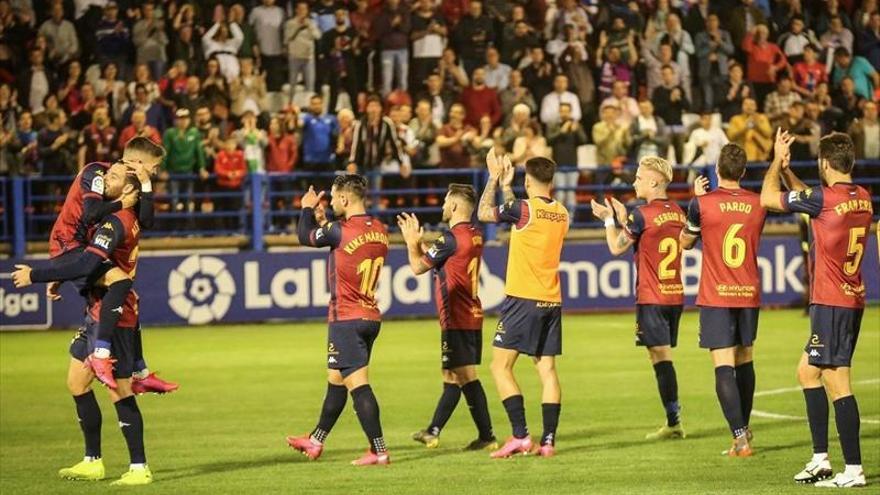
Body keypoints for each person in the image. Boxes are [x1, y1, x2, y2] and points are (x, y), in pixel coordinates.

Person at [12, 165, 154, 486]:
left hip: (111, 314)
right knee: (77, 383)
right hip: (96, 308)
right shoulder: (116, 215)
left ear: (127, 192)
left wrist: (36, 275)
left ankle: (138, 467)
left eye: (115, 178)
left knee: (119, 391)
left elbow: (86, 264)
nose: (106, 179)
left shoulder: (115, 220)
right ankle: (93, 461)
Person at [760, 131, 872, 488]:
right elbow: (815, 199)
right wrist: (793, 175)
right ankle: (821, 459)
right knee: (807, 373)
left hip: (832, 301)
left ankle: (853, 469)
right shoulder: (863, 197)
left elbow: (766, 198)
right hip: (849, 297)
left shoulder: (823, 198)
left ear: (824, 163)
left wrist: (777, 160)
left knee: (838, 382)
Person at [288, 175, 391, 466]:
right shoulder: (380, 229)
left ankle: (379, 450)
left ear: (345, 199)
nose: (330, 203)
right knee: (337, 381)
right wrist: (324, 223)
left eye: (333, 198)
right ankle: (316, 440)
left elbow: (304, 237)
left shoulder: (338, 230)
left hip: (346, 317)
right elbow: (346, 243)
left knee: (358, 385)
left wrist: (307, 209)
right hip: (370, 314)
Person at [477, 150, 569, 458]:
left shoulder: (522, 209)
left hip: (523, 298)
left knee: (500, 366)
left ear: (527, 180)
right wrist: (508, 186)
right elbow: (519, 213)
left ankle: (520, 435)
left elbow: (485, 213)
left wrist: (494, 178)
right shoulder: (562, 212)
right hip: (551, 299)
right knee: (547, 369)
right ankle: (549, 441)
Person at [591, 156, 687, 440]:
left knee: (659, 356)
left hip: (652, 296)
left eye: (639, 177)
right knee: (660, 355)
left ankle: (674, 422)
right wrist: (625, 219)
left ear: (655, 181)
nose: (634, 181)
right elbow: (651, 234)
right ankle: (673, 420)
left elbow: (616, 248)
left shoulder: (641, 213)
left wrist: (608, 220)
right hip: (675, 294)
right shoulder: (677, 211)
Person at [680, 143, 766, 457]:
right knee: (746, 360)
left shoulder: (701, 204)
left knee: (723, 366)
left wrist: (697, 199)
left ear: (716, 170)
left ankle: (739, 436)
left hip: (717, 295)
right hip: (748, 292)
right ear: (743, 172)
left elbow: (686, 243)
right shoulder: (759, 204)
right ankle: (744, 429)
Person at [398, 185, 497, 451]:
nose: (442, 205)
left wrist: (411, 243)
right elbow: (442, 259)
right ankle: (434, 430)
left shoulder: (450, 239)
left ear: (453, 206)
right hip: (471, 313)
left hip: (457, 317)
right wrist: (421, 245)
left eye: (445, 201)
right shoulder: (474, 234)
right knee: (452, 374)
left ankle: (485, 435)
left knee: (464, 376)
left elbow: (418, 267)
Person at [162, 108, 208, 212]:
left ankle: (187, 225)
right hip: (173, 172)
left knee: (187, 199)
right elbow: (165, 151)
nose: (183, 121)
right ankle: (174, 225)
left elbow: (199, 151)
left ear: (189, 119)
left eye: (185, 118)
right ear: (176, 120)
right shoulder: (170, 133)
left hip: (188, 171)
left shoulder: (194, 132)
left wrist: (202, 168)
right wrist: (163, 169)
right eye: (180, 118)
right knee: (174, 199)